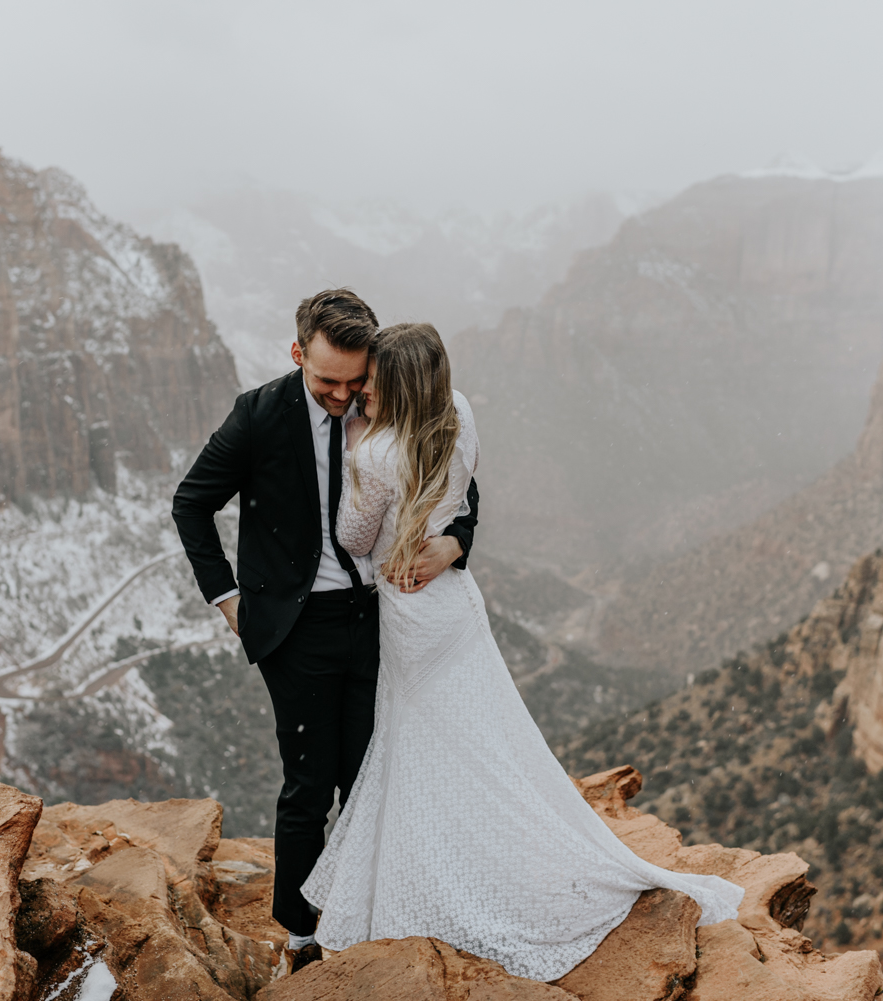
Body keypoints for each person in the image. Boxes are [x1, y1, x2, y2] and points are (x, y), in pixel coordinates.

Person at [300, 322, 745, 982]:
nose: (361, 388)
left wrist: (361, 450)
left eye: (372, 380)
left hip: (409, 616)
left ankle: (434, 884)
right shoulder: (459, 413)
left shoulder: (374, 451)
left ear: (394, 385)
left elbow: (354, 536)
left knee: (420, 750)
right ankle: (486, 854)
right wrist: (444, 537)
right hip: (456, 603)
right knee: (486, 740)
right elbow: (464, 487)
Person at [170, 290, 480, 972]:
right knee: (309, 783)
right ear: (297, 352)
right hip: (297, 625)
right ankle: (304, 936)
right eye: (327, 381)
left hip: (384, 619)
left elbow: (455, 478)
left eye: (354, 380)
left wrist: (454, 542)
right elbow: (191, 502)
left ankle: (376, 914)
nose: (343, 395)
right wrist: (228, 601)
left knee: (371, 774)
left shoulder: (390, 399)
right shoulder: (260, 414)